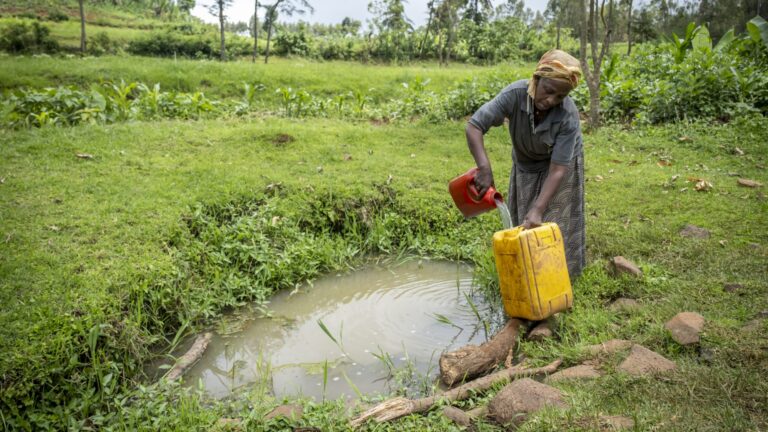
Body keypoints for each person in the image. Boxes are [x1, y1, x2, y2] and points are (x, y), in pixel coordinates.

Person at [465, 49, 585, 279]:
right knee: (525, 220)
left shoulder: (567, 115)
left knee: (553, 218)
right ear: (536, 79)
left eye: (560, 96)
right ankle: (525, 274)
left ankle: (557, 277)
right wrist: (484, 168)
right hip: (526, 162)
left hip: (560, 165)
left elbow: (558, 169)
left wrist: (539, 208)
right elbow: (474, 126)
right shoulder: (515, 94)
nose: (551, 100)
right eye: (548, 91)